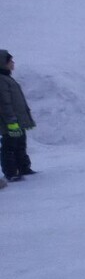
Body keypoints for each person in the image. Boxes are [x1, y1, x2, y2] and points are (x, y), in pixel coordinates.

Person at [0, 50, 36, 182]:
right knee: (10, 145)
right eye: (10, 61)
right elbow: (4, 102)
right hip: (10, 122)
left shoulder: (7, 78)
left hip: (17, 120)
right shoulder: (1, 80)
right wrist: (11, 120)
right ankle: (11, 172)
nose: (13, 63)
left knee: (20, 143)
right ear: (3, 63)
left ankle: (23, 168)